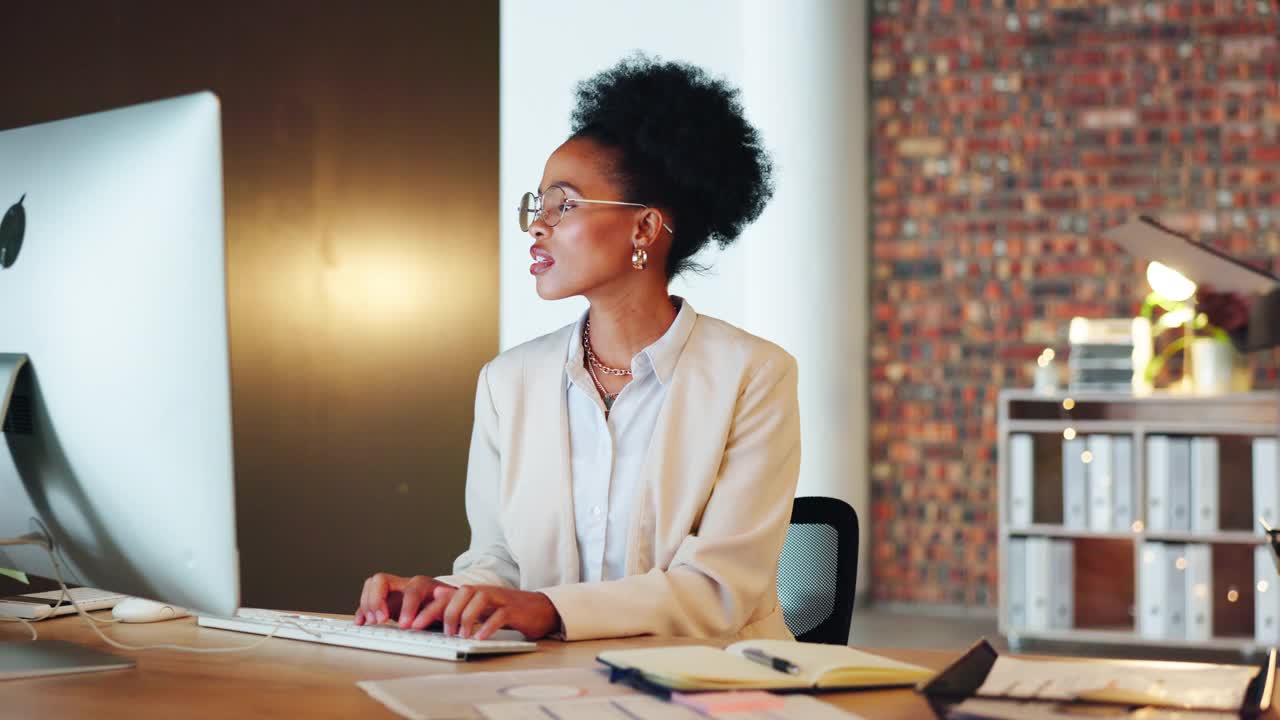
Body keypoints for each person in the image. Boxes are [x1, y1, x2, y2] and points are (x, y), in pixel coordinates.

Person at [354, 54, 801, 642]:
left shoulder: (754, 375)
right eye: (536, 208)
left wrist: (550, 610)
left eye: (564, 205)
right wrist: (444, 598)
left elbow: (719, 591)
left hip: (714, 687)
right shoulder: (507, 382)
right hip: (549, 685)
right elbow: (498, 564)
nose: (537, 227)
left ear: (643, 229)